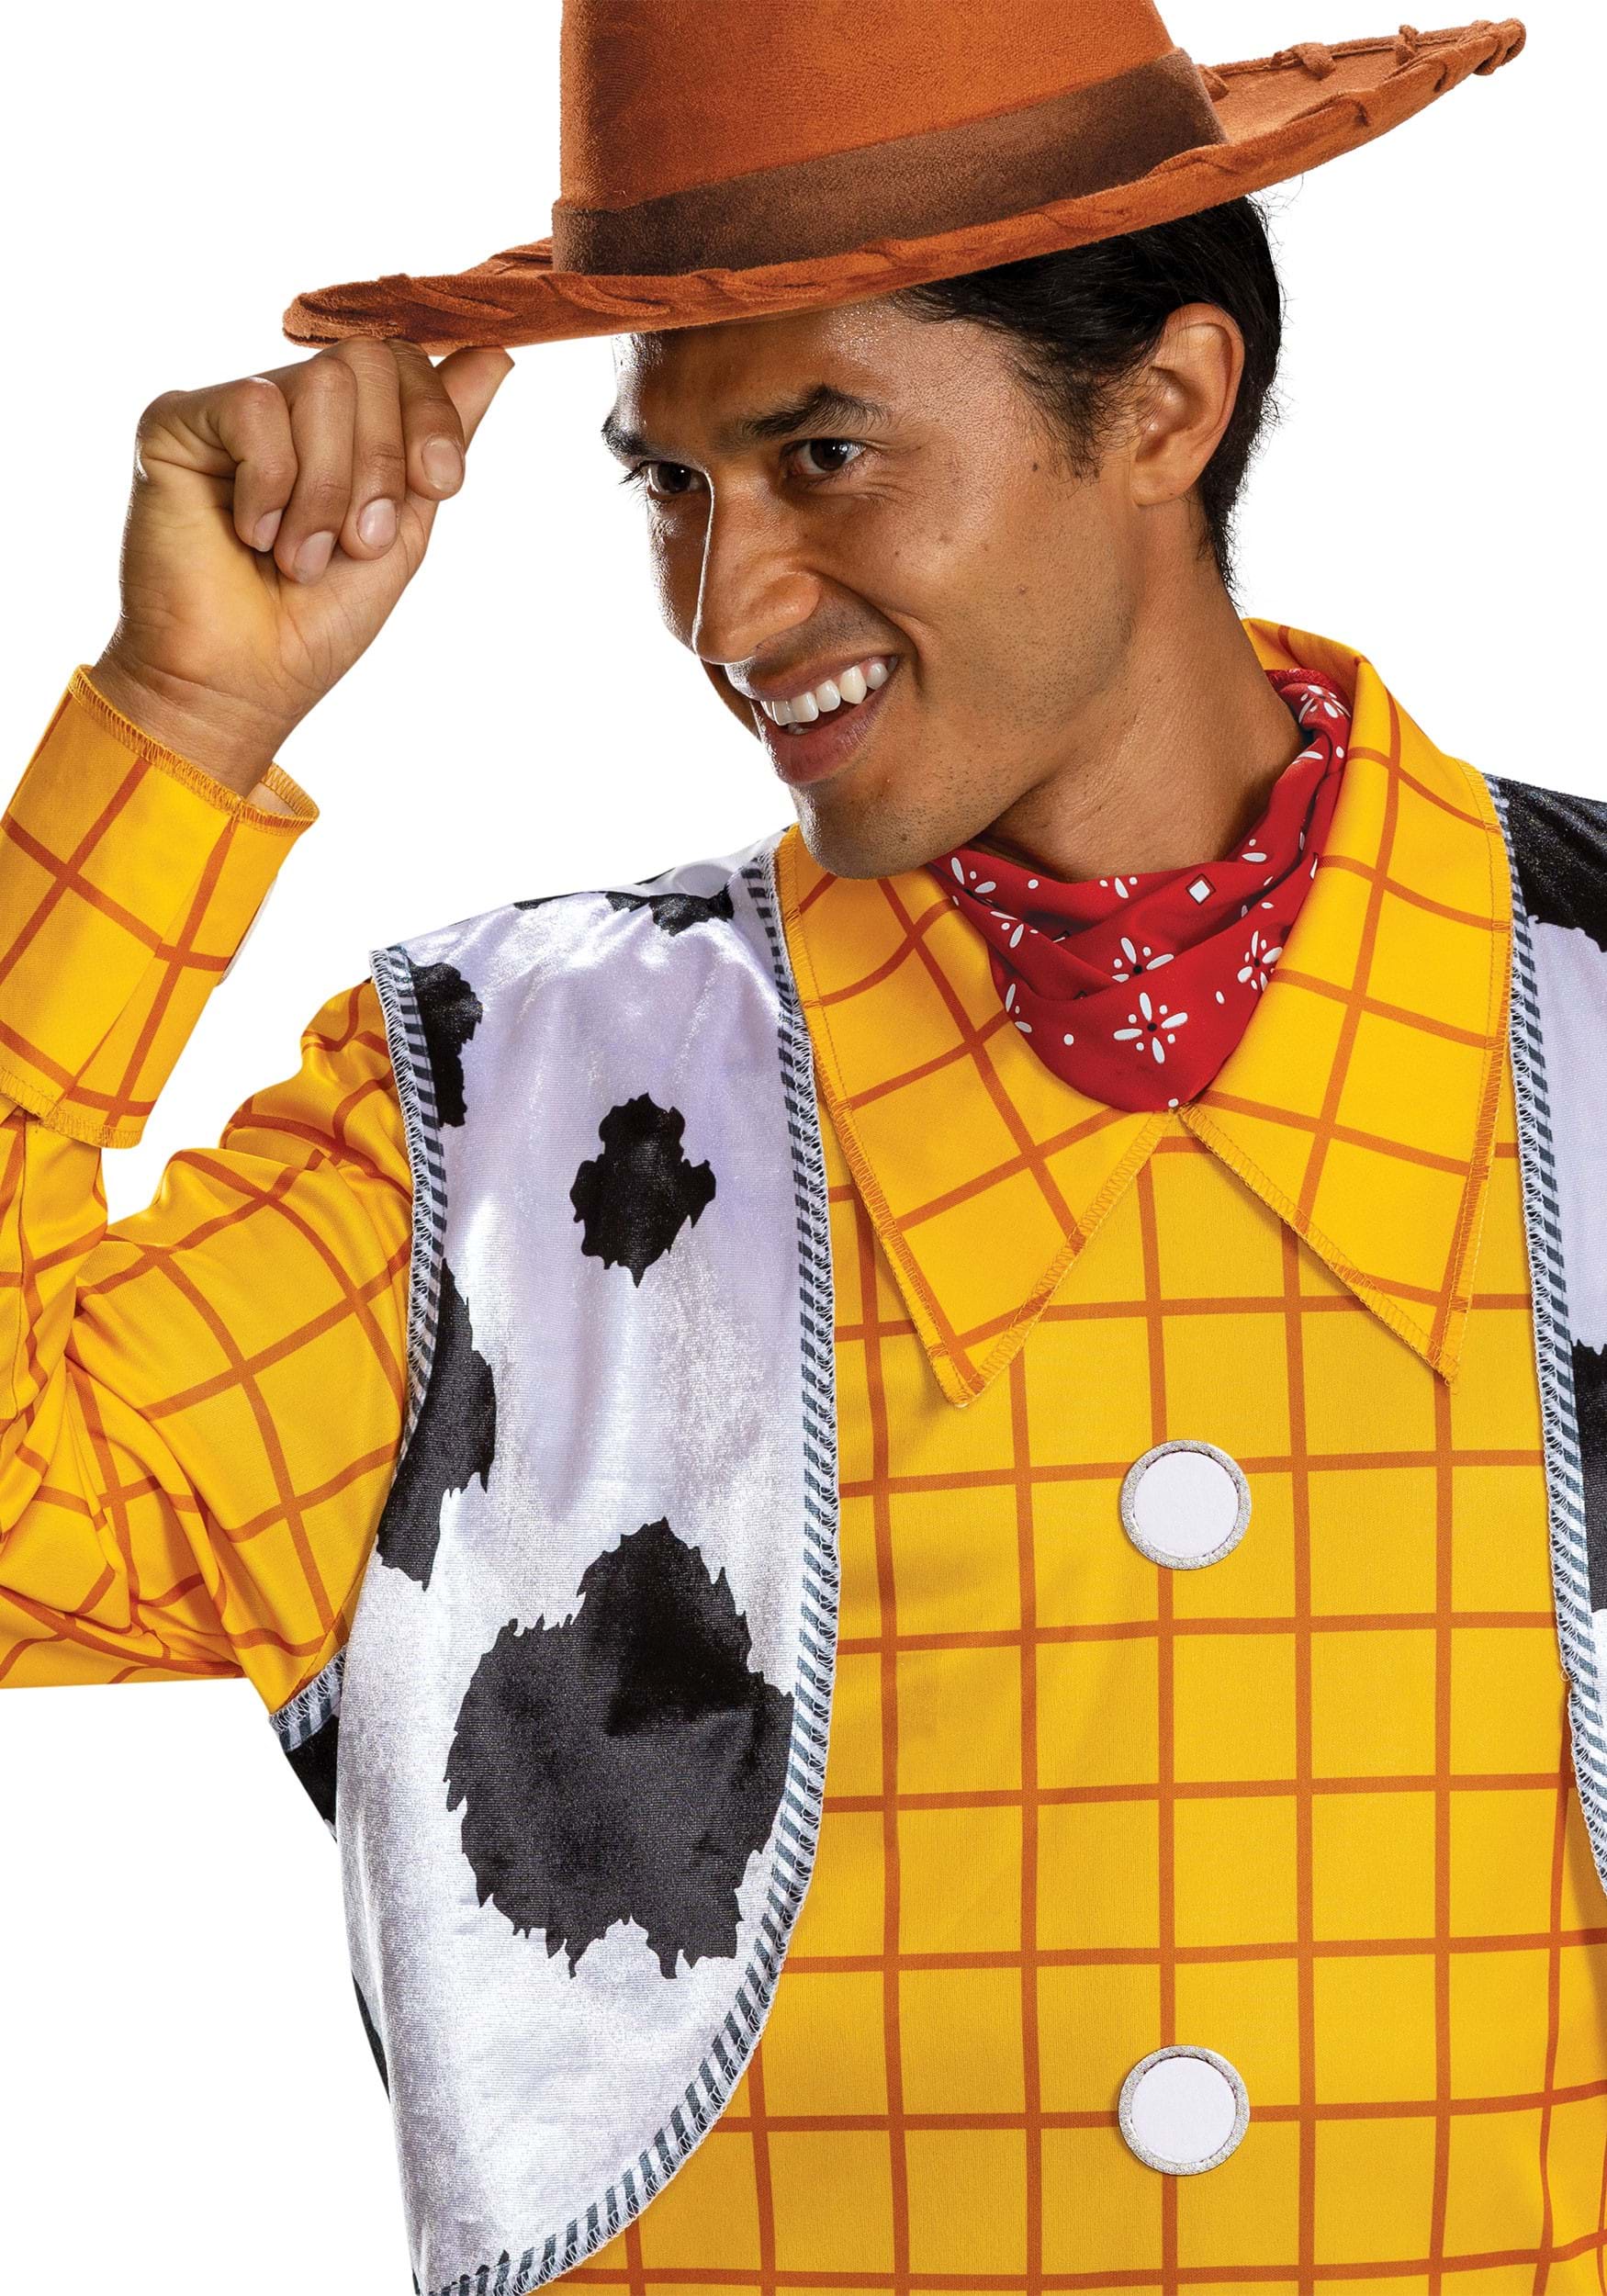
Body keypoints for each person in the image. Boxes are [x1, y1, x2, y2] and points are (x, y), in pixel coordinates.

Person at [12, 4, 1604, 2291]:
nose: (724, 607)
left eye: (822, 453)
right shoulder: (496, 1128)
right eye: (670, 482)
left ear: (1162, 407)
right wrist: (178, 721)